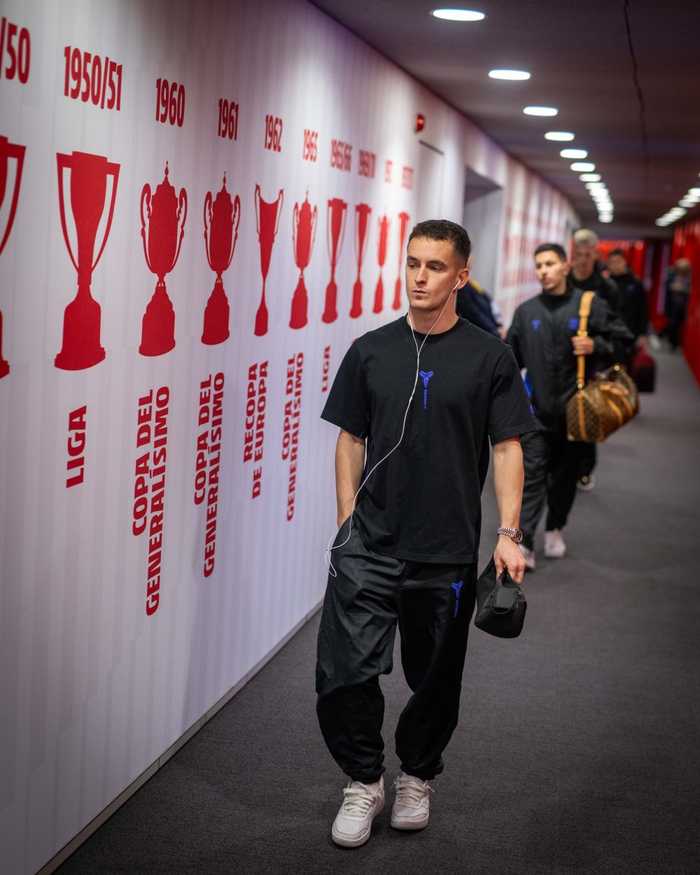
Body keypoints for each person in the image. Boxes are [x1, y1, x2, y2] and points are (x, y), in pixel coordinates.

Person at [316, 219, 534, 848]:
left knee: (435, 678)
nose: (419, 277)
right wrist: (346, 521)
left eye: (435, 266)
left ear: (461, 276)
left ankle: (416, 773)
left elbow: (508, 447)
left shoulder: (490, 356)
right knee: (344, 673)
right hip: (370, 544)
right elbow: (350, 439)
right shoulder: (371, 350)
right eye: (412, 262)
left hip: (445, 551)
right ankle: (364, 780)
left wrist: (509, 531)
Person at [506, 243, 632, 571]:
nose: (543, 271)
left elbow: (624, 340)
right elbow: (510, 361)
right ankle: (525, 543)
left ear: (565, 266)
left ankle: (555, 528)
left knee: (564, 478)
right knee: (532, 478)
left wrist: (596, 345)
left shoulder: (589, 305)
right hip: (536, 414)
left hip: (577, 414)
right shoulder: (526, 312)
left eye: (550, 263)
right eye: (539, 265)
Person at [570, 229, 625, 492]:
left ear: (595, 255)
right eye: (577, 254)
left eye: (587, 255)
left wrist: (598, 346)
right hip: (563, 360)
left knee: (587, 419)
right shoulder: (563, 280)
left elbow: (618, 332)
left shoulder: (607, 288)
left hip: (594, 364)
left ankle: (584, 469)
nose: (582, 260)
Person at [606, 248, 649, 353]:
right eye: (612, 262)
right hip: (609, 333)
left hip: (630, 332)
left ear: (625, 262)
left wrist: (643, 334)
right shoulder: (604, 283)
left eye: (618, 262)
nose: (615, 265)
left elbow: (643, 309)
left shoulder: (635, 283)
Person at [663, 258, 692, 350]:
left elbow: (691, 290)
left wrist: (682, 289)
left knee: (678, 324)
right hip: (673, 304)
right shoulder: (673, 275)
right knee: (673, 323)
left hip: (683, 305)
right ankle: (673, 342)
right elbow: (667, 285)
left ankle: (675, 341)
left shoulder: (689, 277)